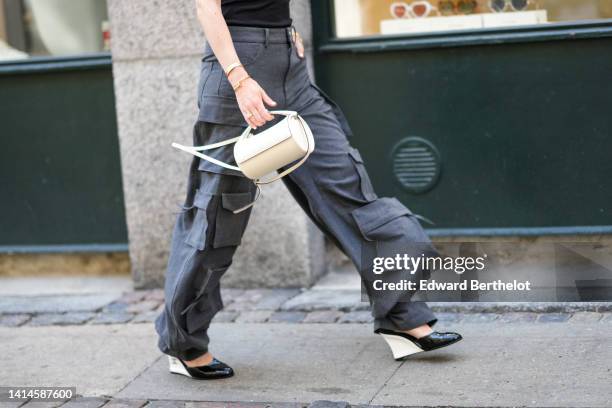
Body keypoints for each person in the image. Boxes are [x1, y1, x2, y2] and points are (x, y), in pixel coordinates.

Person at [155, 0, 462, 380]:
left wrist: (288, 36)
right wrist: (240, 78)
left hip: (291, 72)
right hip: (236, 71)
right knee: (216, 216)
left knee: (347, 187)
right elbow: (207, 8)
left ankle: (403, 316)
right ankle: (183, 343)